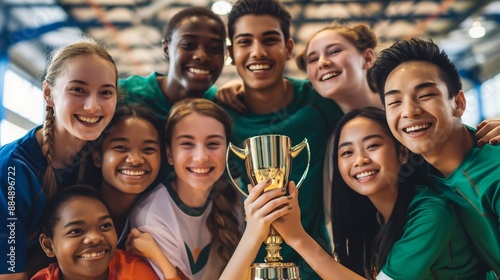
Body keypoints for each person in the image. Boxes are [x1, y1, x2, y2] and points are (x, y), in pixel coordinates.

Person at [268, 107, 487, 279]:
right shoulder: (374, 219)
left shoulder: (431, 213)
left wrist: (298, 238)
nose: (360, 160)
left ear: (402, 153)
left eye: (372, 146)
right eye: (347, 152)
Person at [222, 1, 344, 278]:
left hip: (316, 266)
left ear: (289, 48)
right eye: (245, 42)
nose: (258, 52)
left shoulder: (320, 101)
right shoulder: (218, 114)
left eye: (270, 40)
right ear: (231, 52)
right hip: (244, 270)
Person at [371, 38, 500, 274]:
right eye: (395, 102)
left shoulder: (494, 172)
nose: (409, 111)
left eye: (425, 95)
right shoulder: (419, 175)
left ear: (458, 103)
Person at [0, 39, 118, 279]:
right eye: (78, 89)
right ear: (48, 93)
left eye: (105, 92)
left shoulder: (100, 155)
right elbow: (10, 272)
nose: (92, 106)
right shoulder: (12, 171)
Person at [130, 98, 242, 280]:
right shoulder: (150, 216)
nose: (201, 157)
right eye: (187, 144)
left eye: (213, 144)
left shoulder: (235, 198)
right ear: (169, 154)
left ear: (227, 151)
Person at [32, 185, 168, 280]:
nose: (95, 238)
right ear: (48, 245)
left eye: (105, 226)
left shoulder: (135, 273)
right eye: (76, 231)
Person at [119, 7, 227, 122]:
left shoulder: (223, 102)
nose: (202, 56)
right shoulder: (124, 94)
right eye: (189, 45)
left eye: (215, 48)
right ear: (166, 49)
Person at [90, 105, 163, 247]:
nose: (135, 160)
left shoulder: (159, 218)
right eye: (121, 147)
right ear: (98, 157)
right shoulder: (73, 212)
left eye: (148, 149)